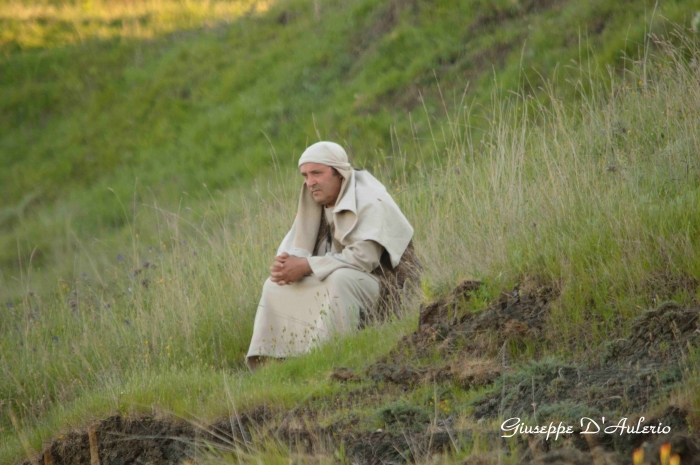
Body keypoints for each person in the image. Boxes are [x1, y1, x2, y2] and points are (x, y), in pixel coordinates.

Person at [246, 141, 420, 371]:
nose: (310, 182)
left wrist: (306, 265)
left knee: (341, 281)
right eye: (305, 175)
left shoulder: (370, 199)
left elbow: (364, 259)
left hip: (385, 287)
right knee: (274, 286)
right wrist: (285, 266)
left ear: (339, 173)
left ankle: (326, 358)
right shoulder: (316, 203)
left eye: (317, 173)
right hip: (333, 279)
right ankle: (273, 363)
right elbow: (296, 249)